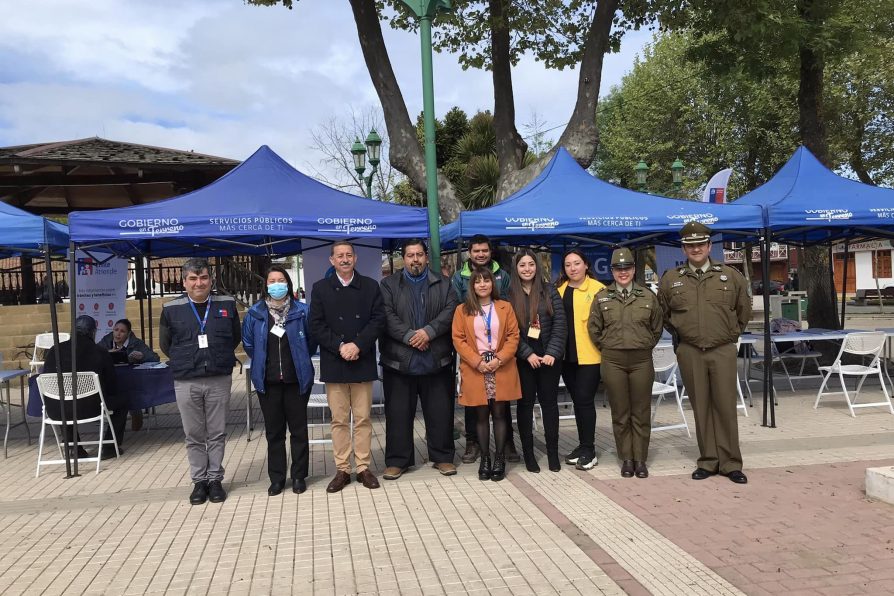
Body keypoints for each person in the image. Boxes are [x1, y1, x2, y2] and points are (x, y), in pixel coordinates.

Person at [658, 221, 751, 484]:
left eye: (700, 244)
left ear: (710, 246)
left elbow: (743, 311)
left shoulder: (730, 276)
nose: (696, 249)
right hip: (690, 350)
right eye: (690, 245)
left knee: (725, 406)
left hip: (722, 349)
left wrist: (730, 333)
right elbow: (665, 314)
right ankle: (708, 461)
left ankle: (731, 462)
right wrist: (684, 334)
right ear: (683, 248)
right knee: (700, 407)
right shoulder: (671, 279)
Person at [159, 258, 241, 505]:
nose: (199, 283)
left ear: (211, 280)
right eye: (193, 279)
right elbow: (165, 344)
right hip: (187, 380)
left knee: (216, 432)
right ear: (184, 282)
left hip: (218, 378)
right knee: (193, 434)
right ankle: (199, 482)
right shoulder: (171, 308)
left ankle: (215, 479)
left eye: (203, 277)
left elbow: (234, 336)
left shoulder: (226, 304)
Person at [380, 239, 460, 480]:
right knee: (398, 414)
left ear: (426, 256)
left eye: (419, 255)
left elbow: (450, 311)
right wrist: (408, 336)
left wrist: (429, 332)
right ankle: (397, 461)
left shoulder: (445, 284)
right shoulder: (388, 285)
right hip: (399, 360)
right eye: (410, 255)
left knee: (440, 412)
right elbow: (386, 314)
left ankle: (443, 457)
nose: (415, 259)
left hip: (436, 358)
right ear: (403, 258)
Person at [309, 241, 386, 493]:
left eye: (348, 255)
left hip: (361, 359)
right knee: (339, 419)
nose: (344, 259)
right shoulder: (320, 289)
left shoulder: (370, 286)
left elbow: (378, 321)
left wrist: (358, 345)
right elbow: (316, 325)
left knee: (363, 418)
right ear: (331, 260)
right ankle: (342, 468)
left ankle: (363, 467)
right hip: (335, 360)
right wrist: (340, 346)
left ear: (356, 258)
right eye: (339, 256)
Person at [588, 248, 663, 479]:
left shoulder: (647, 295)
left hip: (641, 359)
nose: (623, 273)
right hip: (613, 360)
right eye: (618, 269)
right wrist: (609, 346)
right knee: (620, 412)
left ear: (633, 269)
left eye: (627, 268)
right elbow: (594, 328)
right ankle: (626, 459)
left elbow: (657, 327)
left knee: (640, 411)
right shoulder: (602, 297)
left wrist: (644, 343)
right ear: (612, 271)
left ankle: (640, 459)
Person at [243, 266, 316, 496]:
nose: (277, 284)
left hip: (297, 381)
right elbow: (249, 344)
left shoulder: (302, 311)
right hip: (268, 382)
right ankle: (277, 478)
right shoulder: (255, 313)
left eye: (281, 280)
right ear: (266, 285)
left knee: (299, 431)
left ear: (288, 283)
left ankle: (298, 476)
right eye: (272, 280)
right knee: (274, 433)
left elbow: (311, 343)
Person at [450, 234, 517, 465]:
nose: (480, 254)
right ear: (470, 252)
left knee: (501, 408)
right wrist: (476, 360)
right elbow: (458, 331)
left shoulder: (504, 277)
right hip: (474, 360)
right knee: (475, 408)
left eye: (484, 250)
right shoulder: (459, 278)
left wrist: (499, 358)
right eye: (476, 251)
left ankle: (505, 444)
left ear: (490, 252)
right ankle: (474, 444)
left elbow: (509, 326)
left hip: (499, 361)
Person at [508, 249, 566, 472]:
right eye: (522, 265)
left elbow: (560, 324)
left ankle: (553, 454)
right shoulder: (509, 295)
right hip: (524, 360)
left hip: (549, 359)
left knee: (550, 405)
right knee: (525, 406)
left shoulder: (550, 290)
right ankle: (529, 455)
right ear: (516, 268)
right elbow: (509, 331)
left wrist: (552, 352)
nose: (527, 269)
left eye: (531, 264)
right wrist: (527, 354)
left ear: (537, 266)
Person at [43, 315, 126, 460]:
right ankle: (109, 447)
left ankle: (75, 448)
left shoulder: (53, 351)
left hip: (56, 410)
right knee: (122, 401)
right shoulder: (100, 352)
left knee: (63, 400)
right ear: (92, 333)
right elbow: (112, 386)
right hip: (92, 408)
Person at [556, 248, 605, 470]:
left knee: (585, 401)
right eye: (568, 264)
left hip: (590, 356)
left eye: (577, 263)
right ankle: (582, 445)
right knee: (578, 402)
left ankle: (590, 449)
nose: (572, 268)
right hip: (567, 358)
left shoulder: (598, 290)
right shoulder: (559, 290)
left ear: (586, 265)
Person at [97, 318, 160, 431]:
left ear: (128, 333)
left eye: (122, 331)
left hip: (131, 377)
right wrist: (107, 353)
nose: (118, 334)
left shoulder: (136, 343)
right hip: (112, 377)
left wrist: (142, 356)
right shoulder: (107, 340)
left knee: (128, 391)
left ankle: (135, 412)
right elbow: (94, 354)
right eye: (116, 330)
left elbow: (155, 358)